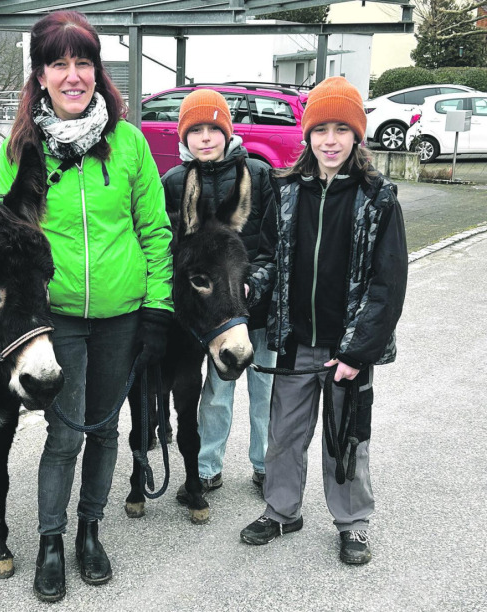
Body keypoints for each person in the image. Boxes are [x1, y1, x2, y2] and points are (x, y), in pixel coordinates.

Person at [0, 11, 173, 603]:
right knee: (66, 434)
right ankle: (51, 540)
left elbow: (155, 230)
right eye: (59, 64)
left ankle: (90, 532)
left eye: (84, 62)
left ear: (98, 70)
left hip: (123, 314)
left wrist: (159, 309)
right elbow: (0, 239)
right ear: (40, 75)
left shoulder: (129, 143)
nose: (74, 76)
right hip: (58, 317)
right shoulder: (22, 149)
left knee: (105, 431)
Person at [239, 76, 408, 565]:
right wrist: (254, 284)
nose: (329, 140)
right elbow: (267, 255)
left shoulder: (378, 199)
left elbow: (387, 284)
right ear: (307, 134)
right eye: (320, 129)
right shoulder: (287, 191)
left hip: (346, 350)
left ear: (357, 136)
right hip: (294, 344)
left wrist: (358, 352)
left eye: (341, 129)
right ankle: (281, 509)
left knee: (346, 439)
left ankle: (352, 523)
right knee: (284, 436)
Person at [160, 89, 277, 498]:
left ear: (228, 132)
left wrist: (254, 285)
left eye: (214, 128)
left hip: (256, 312)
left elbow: (273, 246)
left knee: (264, 392)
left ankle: (265, 466)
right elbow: (162, 249)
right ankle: (208, 466)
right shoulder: (173, 182)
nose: (206, 137)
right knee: (215, 393)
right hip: (209, 319)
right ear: (184, 136)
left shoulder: (259, 175)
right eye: (196, 130)